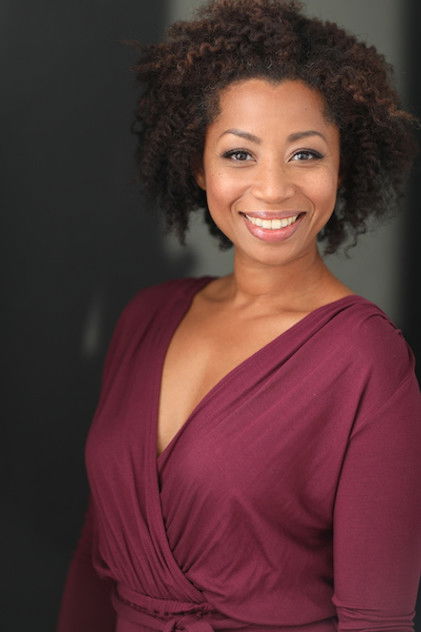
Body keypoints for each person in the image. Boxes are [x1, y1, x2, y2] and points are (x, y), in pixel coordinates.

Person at [57, 1, 421, 631]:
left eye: (305, 155)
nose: (274, 188)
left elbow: (378, 621)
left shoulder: (367, 360)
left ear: (342, 166)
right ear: (198, 167)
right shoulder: (147, 317)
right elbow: (98, 556)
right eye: (239, 154)